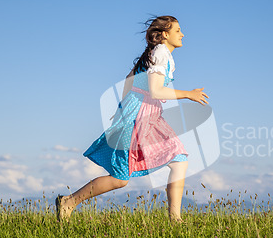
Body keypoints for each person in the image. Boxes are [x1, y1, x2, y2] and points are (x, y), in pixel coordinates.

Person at [55, 15, 209, 223]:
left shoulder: (155, 54)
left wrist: (123, 108)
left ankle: (176, 219)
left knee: (179, 159)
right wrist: (188, 94)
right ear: (165, 34)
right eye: (178, 30)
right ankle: (69, 202)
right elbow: (155, 90)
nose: (182, 34)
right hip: (140, 118)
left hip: (146, 116)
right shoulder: (161, 52)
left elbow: (130, 78)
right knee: (120, 179)